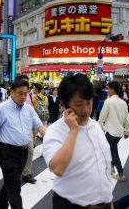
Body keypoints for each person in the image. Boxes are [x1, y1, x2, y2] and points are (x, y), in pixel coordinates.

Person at [43, 74, 113, 209]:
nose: (86, 110)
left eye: (89, 102)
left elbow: (104, 167)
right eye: (79, 104)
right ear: (64, 104)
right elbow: (57, 168)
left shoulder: (96, 126)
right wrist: (74, 131)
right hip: (70, 205)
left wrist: (109, 200)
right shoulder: (55, 131)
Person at [0, 80, 47, 209]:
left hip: (23, 152)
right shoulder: (2, 108)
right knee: (14, 187)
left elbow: (40, 126)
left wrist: (52, 139)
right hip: (7, 152)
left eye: (26, 94)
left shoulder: (28, 109)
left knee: (9, 183)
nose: (24, 97)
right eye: (20, 94)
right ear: (12, 92)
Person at [98, 81, 129, 182]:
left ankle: (120, 173)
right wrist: (126, 131)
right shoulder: (123, 102)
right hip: (120, 132)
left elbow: (102, 117)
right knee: (113, 150)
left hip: (110, 131)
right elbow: (127, 118)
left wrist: (102, 128)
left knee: (113, 152)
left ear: (112, 89)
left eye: (108, 88)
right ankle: (111, 168)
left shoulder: (109, 101)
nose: (107, 91)